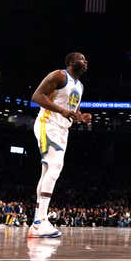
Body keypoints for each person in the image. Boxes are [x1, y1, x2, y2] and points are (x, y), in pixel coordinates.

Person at [29, 52, 92, 238]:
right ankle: (40, 221)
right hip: (47, 124)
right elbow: (37, 97)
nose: (85, 61)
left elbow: (73, 111)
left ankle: (37, 222)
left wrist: (81, 117)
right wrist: (62, 111)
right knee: (55, 167)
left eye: (86, 59)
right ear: (71, 62)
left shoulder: (80, 86)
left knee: (47, 171)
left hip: (63, 130)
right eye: (81, 58)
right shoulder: (59, 75)